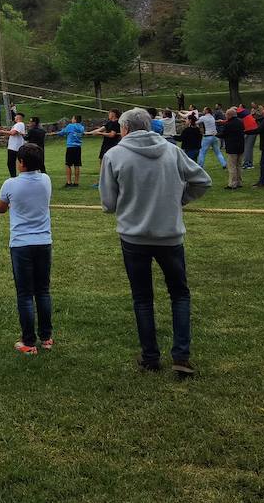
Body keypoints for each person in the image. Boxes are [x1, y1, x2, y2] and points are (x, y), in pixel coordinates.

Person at [100, 108, 211, 375]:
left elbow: (108, 204)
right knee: (179, 294)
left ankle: (151, 357)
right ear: (149, 126)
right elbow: (202, 181)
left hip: (133, 237)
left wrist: (179, 199)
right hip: (169, 235)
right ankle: (181, 357)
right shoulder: (171, 151)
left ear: (124, 128)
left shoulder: (114, 155)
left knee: (143, 298)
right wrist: (179, 199)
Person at [0, 143, 53, 355]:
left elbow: (1, 209)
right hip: (43, 242)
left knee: (24, 294)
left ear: (21, 163)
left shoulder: (10, 184)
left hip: (21, 245)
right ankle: (46, 337)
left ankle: (29, 342)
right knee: (42, 291)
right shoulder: (46, 180)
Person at [53, 114, 86, 188]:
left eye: (72, 118)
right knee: (77, 165)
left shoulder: (71, 126)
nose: (71, 119)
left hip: (70, 147)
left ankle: (69, 182)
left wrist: (56, 133)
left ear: (75, 119)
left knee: (68, 165)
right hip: (78, 148)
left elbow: (62, 132)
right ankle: (76, 182)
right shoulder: (82, 127)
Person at [219, 107, 245, 189]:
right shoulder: (241, 122)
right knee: (239, 165)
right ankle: (239, 182)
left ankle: (232, 184)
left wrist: (215, 134)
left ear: (230, 115)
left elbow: (224, 134)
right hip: (240, 146)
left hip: (232, 147)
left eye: (226, 114)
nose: (225, 116)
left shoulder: (228, 124)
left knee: (232, 166)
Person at [0, 112, 28, 179]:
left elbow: (13, 133)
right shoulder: (20, 125)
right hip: (16, 147)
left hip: (14, 147)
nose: (14, 118)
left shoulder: (19, 124)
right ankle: (17, 176)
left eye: (15, 117)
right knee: (18, 162)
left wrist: (1, 131)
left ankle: (13, 177)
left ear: (18, 117)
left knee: (11, 163)